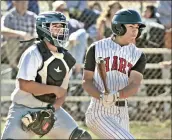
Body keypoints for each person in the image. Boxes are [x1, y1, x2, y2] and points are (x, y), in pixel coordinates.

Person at [1, 11, 92, 139]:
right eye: (55, 26)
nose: (60, 30)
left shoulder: (66, 59)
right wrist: (54, 89)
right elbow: (24, 85)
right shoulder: (33, 53)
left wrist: (51, 111)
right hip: (24, 110)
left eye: (61, 27)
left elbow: (62, 93)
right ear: (43, 29)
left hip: (49, 110)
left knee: (81, 137)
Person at [82, 9, 147, 139]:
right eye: (131, 27)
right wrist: (101, 96)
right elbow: (86, 81)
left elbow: (134, 84)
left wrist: (116, 95)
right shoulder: (96, 48)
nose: (135, 31)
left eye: (137, 27)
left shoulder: (138, 55)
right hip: (99, 111)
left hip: (122, 112)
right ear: (118, 28)